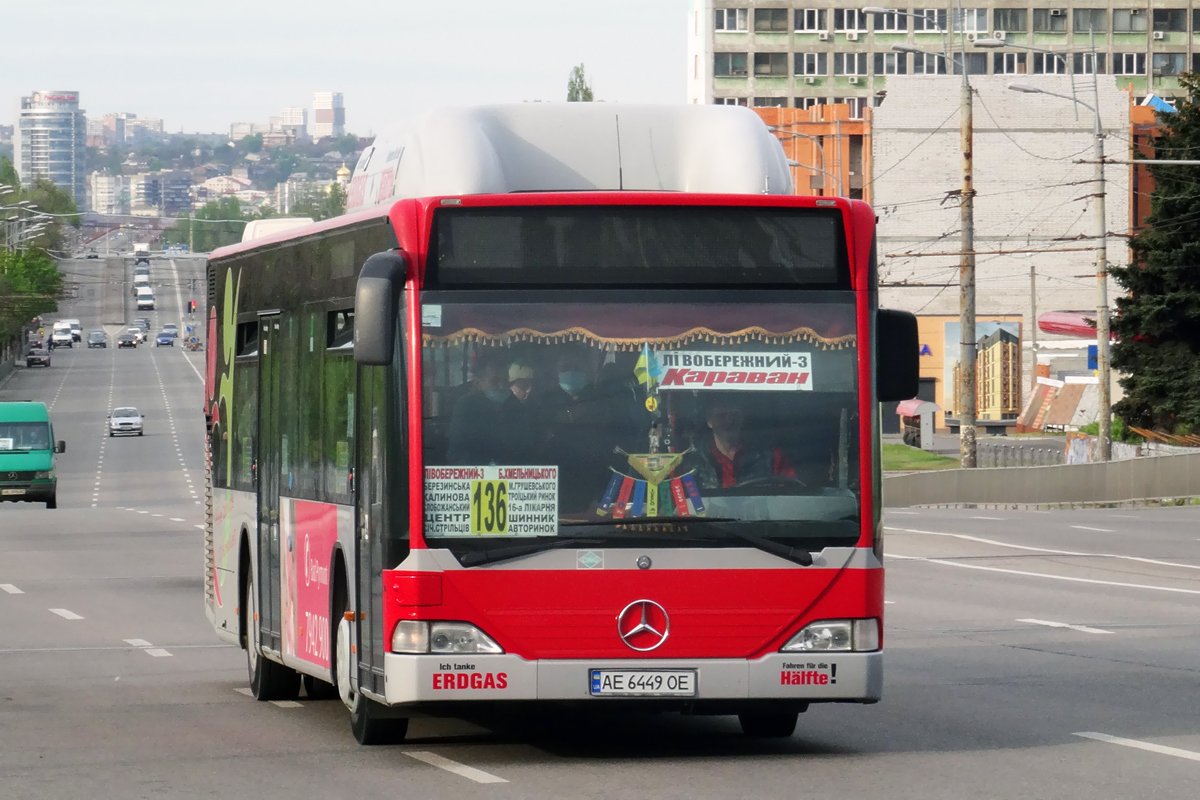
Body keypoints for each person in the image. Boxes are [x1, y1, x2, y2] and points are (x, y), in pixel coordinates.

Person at [692, 397, 796, 490]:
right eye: (721, 416)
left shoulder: (772, 456)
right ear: (709, 421)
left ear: (742, 418)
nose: (729, 420)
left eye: (734, 415)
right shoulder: (693, 464)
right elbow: (685, 502)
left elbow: (790, 498)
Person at [446, 350, 519, 466]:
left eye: (505, 381)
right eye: (495, 381)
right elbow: (457, 454)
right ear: (477, 383)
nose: (502, 386)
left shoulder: (514, 404)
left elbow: (525, 448)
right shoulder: (466, 407)